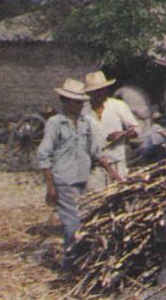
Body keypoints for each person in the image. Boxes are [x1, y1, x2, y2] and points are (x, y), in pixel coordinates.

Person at [36, 78, 119, 270]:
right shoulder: (55, 123)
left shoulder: (86, 123)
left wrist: (114, 174)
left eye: (83, 102)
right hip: (63, 181)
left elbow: (96, 152)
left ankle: (78, 259)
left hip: (82, 179)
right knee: (73, 224)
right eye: (77, 102)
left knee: (83, 221)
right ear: (65, 101)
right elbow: (44, 154)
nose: (82, 105)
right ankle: (70, 263)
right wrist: (50, 187)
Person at [82, 70, 140, 191]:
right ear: (89, 93)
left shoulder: (118, 106)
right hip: (94, 166)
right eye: (95, 91)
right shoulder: (83, 111)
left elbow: (136, 129)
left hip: (116, 161)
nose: (99, 94)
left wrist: (122, 135)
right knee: (95, 197)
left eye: (101, 90)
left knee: (119, 195)